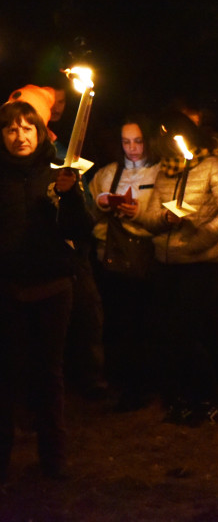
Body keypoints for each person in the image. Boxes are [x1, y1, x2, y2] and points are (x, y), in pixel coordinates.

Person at [0, 96, 92, 480]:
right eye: (10, 128)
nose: (19, 135)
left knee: (49, 373)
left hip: (53, 287)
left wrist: (70, 195)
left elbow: (79, 230)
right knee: (5, 375)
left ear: (40, 133)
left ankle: (53, 457)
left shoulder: (58, 175)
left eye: (27, 128)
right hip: (7, 289)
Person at [136, 111, 218, 426]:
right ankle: (179, 400)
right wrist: (164, 219)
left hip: (200, 265)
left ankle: (208, 398)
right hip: (166, 264)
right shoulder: (164, 172)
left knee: (186, 333)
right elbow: (148, 217)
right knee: (167, 334)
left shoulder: (213, 166)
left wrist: (199, 238)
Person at [89, 115, 161, 410]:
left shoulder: (160, 172)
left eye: (138, 141)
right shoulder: (106, 175)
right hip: (112, 259)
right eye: (126, 142)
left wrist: (139, 213)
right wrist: (100, 206)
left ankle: (143, 386)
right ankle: (122, 384)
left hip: (148, 257)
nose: (132, 148)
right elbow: (87, 216)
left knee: (144, 324)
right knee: (119, 324)